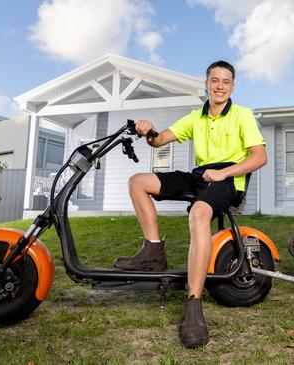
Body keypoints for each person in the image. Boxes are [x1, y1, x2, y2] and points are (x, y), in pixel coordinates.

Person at [113, 60, 267, 348]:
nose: (219, 86)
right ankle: (153, 251)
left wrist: (223, 172)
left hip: (227, 181)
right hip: (199, 176)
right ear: (206, 83)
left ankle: (193, 304)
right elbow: (159, 141)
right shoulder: (196, 117)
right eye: (214, 80)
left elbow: (259, 157)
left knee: (198, 214)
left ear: (232, 86)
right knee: (138, 181)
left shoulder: (243, 116)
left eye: (225, 81)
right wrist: (148, 130)